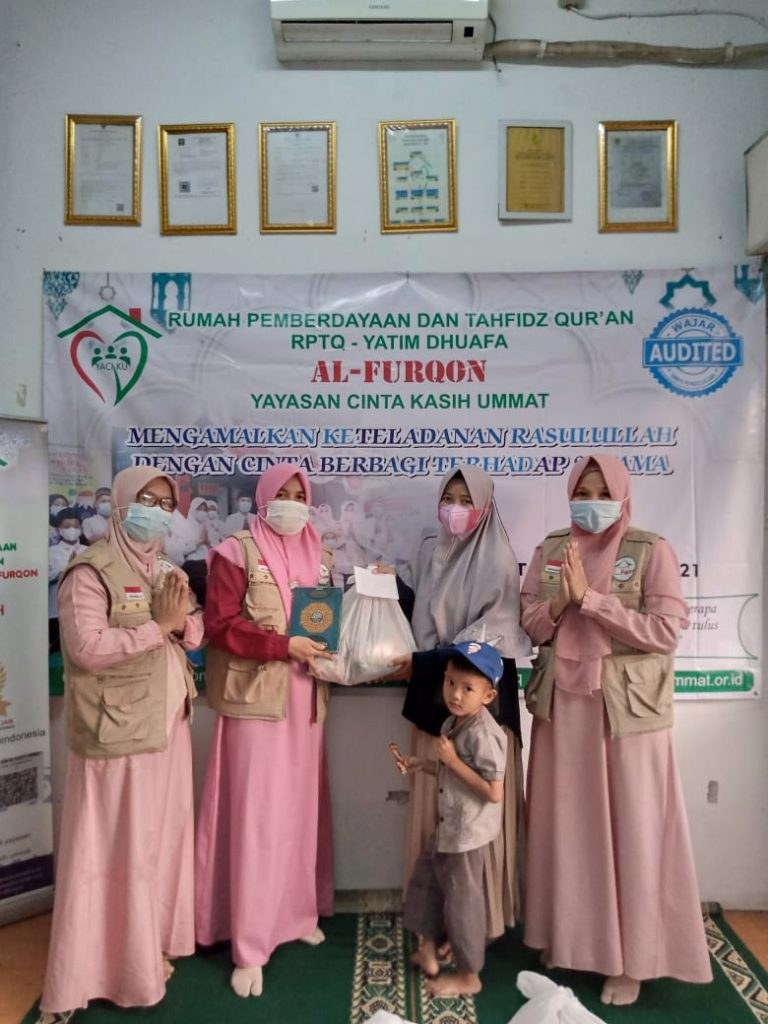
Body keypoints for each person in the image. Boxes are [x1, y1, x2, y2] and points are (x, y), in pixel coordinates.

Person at [520, 454, 712, 1006]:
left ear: (623, 495)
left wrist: (593, 602)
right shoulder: (552, 549)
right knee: (566, 827)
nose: (592, 502)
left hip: (626, 715)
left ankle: (632, 959)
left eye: (604, 492)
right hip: (563, 710)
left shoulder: (650, 550)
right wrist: (561, 602)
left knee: (634, 829)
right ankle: (568, 940)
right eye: (583, 491)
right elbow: (530, 621)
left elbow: (666, 631)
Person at [38, 467, 204, 1021]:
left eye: (165, 503)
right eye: (146, 500)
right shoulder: (89, 572)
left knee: (156, 846)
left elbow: (194, 630)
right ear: (121, 503)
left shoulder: (165, 567)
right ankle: (95, 974)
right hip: (116, 733)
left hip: (167, 729)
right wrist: (159, 627)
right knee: (111, 852)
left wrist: (180, 624)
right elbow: (86, 648)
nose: (156, 511)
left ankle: (145, 952)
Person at [195, 463, 336, 999]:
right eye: (285, 493)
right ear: (264, 497)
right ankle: (249, 944)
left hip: (305, 698)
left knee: (298, 814)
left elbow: (324, 620)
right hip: (255, 699)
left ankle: (295, 916)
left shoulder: (321, 555)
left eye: (301, 494)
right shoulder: (235, 552)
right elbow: (221, 625)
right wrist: (283, 646)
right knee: (256, 819)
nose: (293, 503)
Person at [381, 463, 530, 943]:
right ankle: (435, 923)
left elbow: (483, 645)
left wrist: (422, 663)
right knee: (436, 808)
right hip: (434, 689)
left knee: (472, 813)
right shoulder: (431, 549)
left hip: (479, 699)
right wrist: (389, 587)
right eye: (449, 498)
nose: (456, 509)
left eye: (467, 501)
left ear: (485, 507)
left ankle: (476, 924)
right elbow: (422, 609)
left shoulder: (498, 557)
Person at [402, 641, 507, 998]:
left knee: (463, 902)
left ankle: (469, 975)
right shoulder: (454, 721)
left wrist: (452, 762)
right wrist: (422, 764)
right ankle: (428, 949)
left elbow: (493, 791)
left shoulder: (485, 734)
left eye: (467, 688)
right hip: (450, 825)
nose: (455, 694)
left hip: (467, 834)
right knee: (426, 881)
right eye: (450, 683)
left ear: (488, 696)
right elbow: (452, 774)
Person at [48, 507, 86, 653]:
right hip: (56, 608)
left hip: (84, 607)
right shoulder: (51, 552)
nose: (72, 529)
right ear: (58, 529)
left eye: (75, 526)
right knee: (58, 649)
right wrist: (66, 570)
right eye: (67, 526)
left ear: (81, 528)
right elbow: (44, 578)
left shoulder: (88, 550)